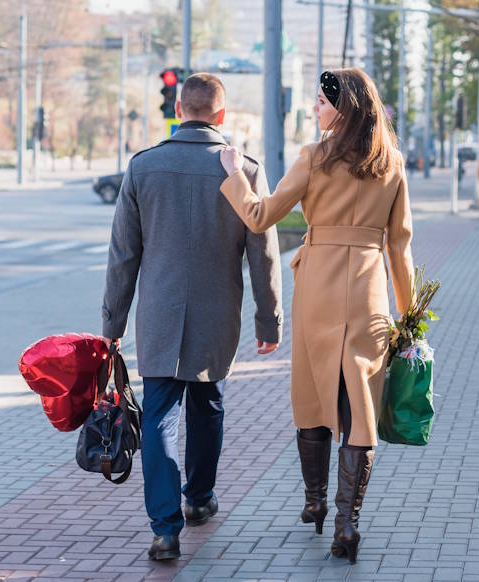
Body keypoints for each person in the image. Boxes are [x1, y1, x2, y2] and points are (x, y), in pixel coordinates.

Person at [218, 68, 415, 564]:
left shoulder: (314, 157)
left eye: (322, 103)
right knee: (360, 409)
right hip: (368, 291)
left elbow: (261, 216)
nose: (315, 110)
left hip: (319, 287)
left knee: (312, 391)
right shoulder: (391, 163)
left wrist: (234, 172)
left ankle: (315, 501)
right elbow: (400, 246)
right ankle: (348, 523)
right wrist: (408, 315)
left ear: (342, 108)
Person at [101, 72, 283, 562]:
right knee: (209, 407)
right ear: (220, 116)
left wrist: (111, 327)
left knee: (160, 415)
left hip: (158, 318)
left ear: (179, 109)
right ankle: (199, 499)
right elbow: (263, 252)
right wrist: (269, 321)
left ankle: (165, 529)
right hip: (217, 316)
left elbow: (123, 255)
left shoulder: (143, 168)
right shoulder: (241, 168)